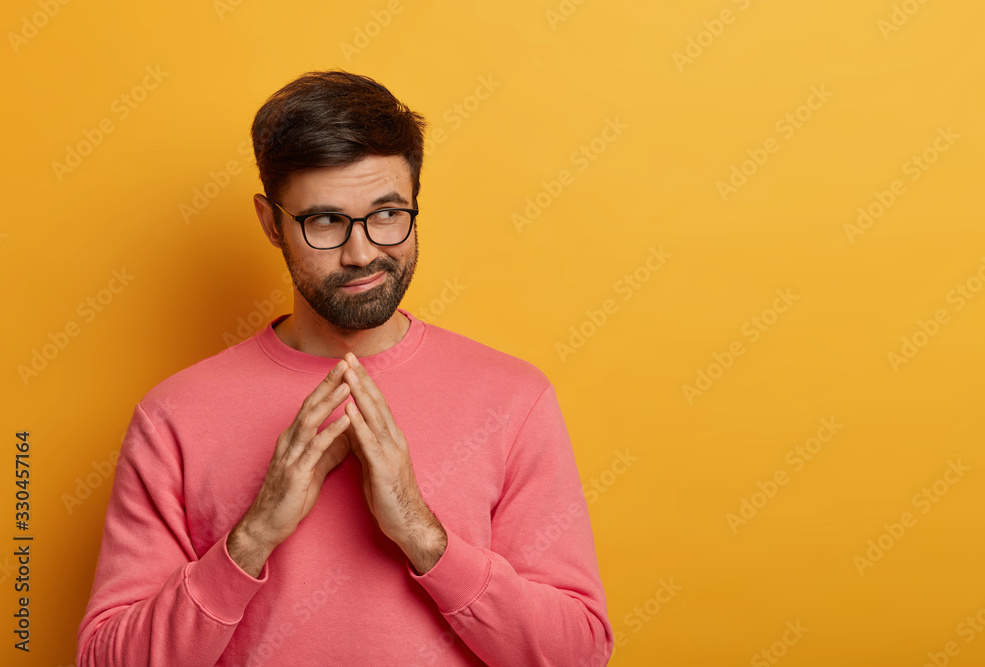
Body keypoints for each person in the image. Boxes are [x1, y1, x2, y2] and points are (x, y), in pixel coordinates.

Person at [76, 69, 613, 666]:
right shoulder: (172, 416)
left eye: (387, 214)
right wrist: (252, 537)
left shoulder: (514, 399)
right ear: (270, 222)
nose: (362, 253)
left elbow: (578, 655)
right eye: (325, 221)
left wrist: (421, 534)